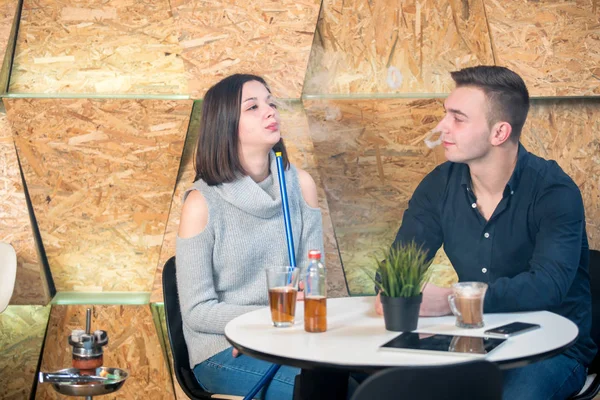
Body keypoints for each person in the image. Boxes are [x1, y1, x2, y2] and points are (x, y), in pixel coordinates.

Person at [375, 65, 596, 399]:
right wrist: (393, 290)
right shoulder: (439, 185)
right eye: (445, 114)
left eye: (458, 118)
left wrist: (453, 300)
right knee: (388, 390)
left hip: (550, 349)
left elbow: (547, 287)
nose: (441, 126)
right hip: (473, 341)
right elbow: (397, 268)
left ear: (499, 133)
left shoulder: (553, 190)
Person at [176, 74, 324, 399]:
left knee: (366, 384)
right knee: (319, 393)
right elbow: (197, 311)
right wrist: (261, 322)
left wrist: (295, 310)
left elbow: (312, 285)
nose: (270, 111)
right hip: (223, 350)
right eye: (253, 107)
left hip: (289, 341)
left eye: (270, 103)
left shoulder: (300, 187)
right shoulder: (202, 203)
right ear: (226, 124)